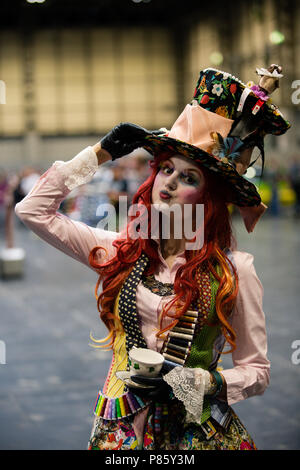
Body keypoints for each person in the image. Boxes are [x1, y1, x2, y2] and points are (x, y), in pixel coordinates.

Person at [15, 65, 290, 450]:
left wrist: (206, 382)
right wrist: (100, 152)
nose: (171, 182)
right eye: (165, 169)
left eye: (189, 177)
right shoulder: (120, 252)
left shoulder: (233, 270)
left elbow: (257, 372)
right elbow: (33, 211)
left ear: (208, 198)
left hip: (197, 436)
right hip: (122, 435)